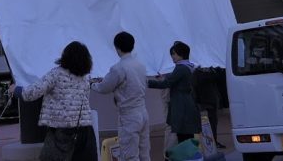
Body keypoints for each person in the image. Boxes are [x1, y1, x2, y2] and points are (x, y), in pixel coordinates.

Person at [11, 41, 97, 161]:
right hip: (85, 131)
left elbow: (32, 93)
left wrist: (16, 90)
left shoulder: (56, 74)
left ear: (65, 56)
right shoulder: (86, 77)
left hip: (62, 131)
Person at [91, 32, 150, 161]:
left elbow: (104, 88)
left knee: (130, 155)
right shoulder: (141, 66)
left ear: (117, 47)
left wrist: (92, 84)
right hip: (143, 112)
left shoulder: (118, 68)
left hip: (129, 115)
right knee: (145, 154)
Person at [148, 41, 201, 144]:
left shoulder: (181, 68)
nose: (172, 56)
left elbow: (166, 84)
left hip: (180, 103)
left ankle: (184, 153)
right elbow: (174, 79)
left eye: (174, 54)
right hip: (188, 102)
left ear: (181, 54)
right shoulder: (189, 66)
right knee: (188, 134)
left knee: (182, 135)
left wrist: (147, 82)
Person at [193, 66, 225, 149]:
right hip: (205, 101)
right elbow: (198, 84)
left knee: (213, 122)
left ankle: (213, 142)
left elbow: (219, 78)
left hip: (211, 100)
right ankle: (209, 143)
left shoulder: (210, 71)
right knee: (208, 123)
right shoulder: (199, 73)